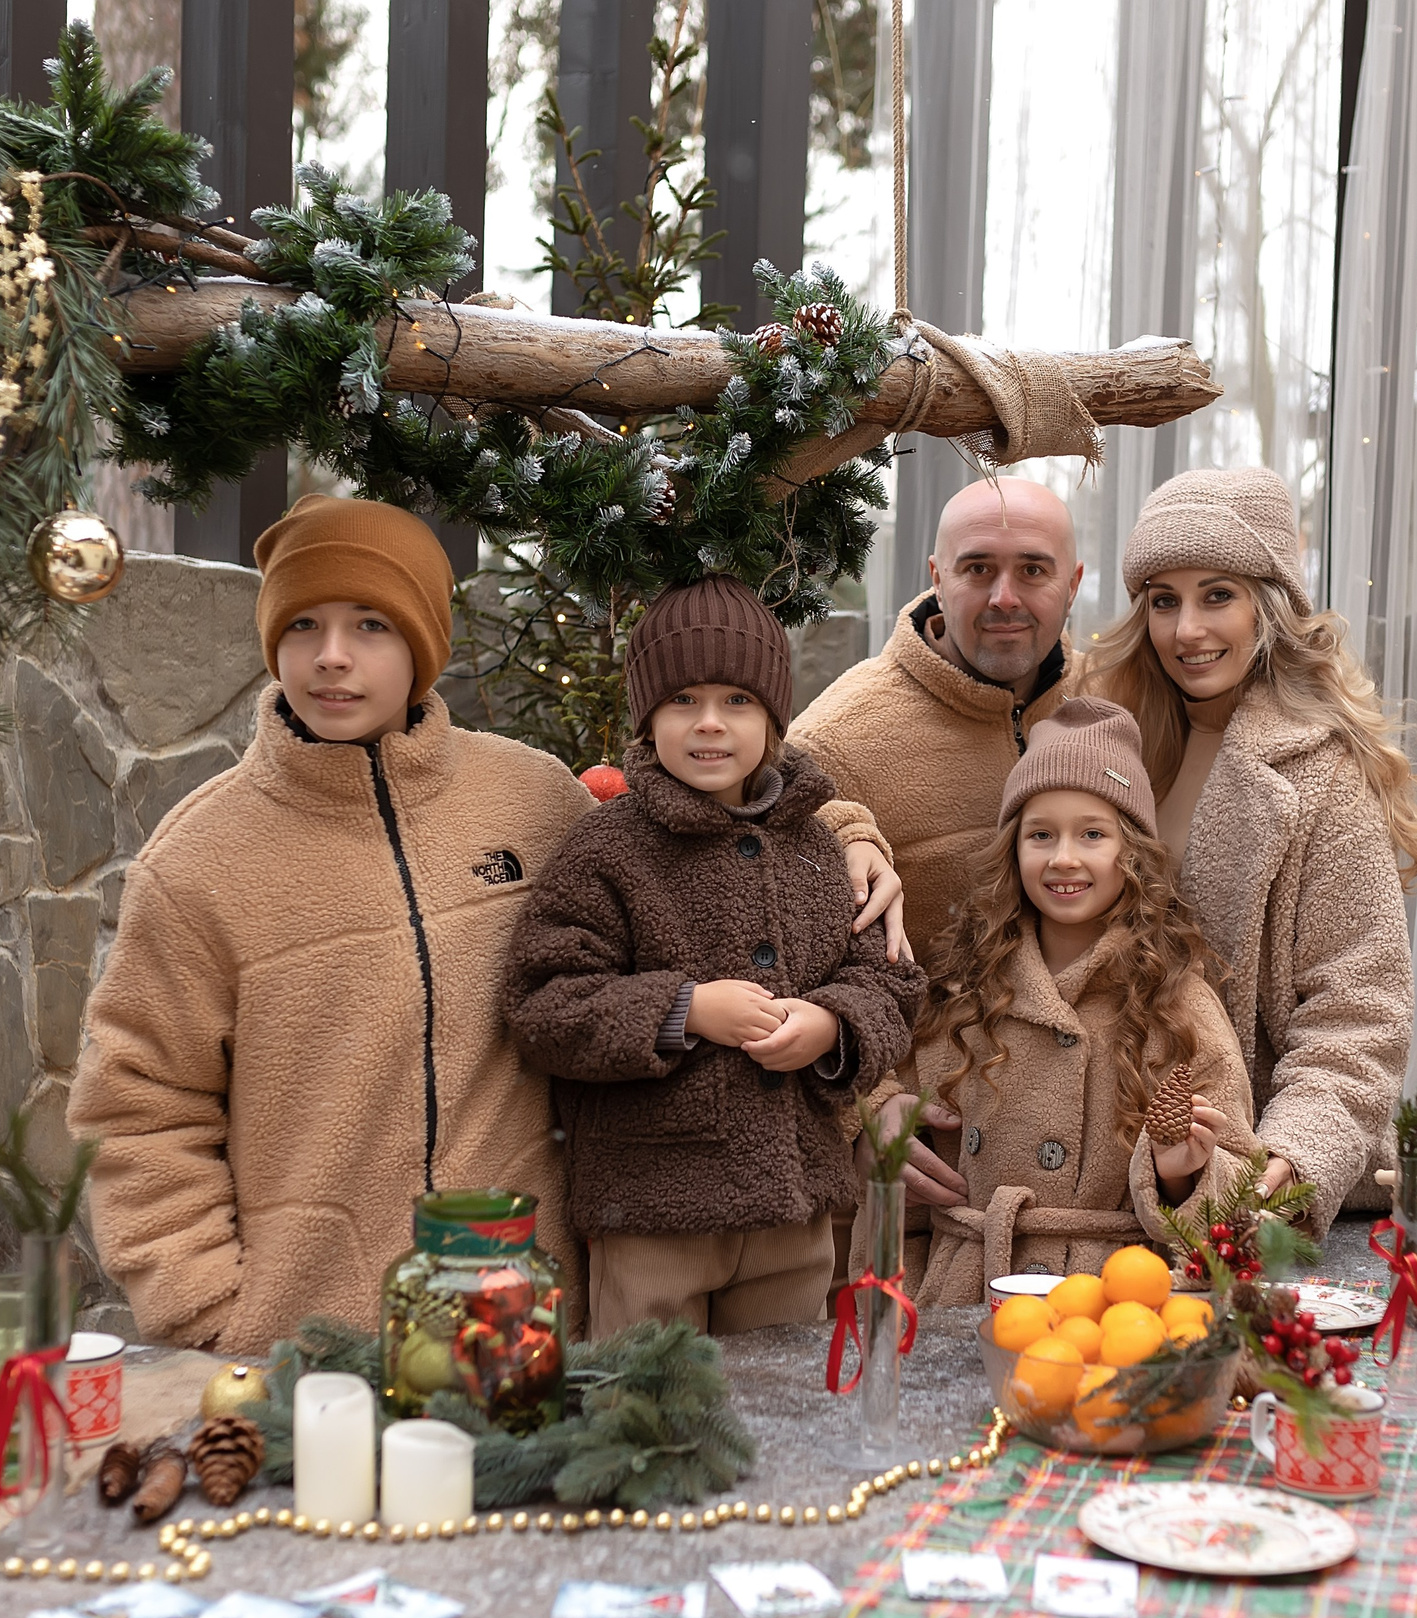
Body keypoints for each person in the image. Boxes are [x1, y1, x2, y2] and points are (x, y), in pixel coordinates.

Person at [71, 496, 595, 1355]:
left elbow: (685, 864)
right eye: (304, 623)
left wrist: (842, 830)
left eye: (372, 625)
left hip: (531, 1337)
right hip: (306, 1361)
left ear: (424, 645)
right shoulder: (201, 858)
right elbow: (140, 1107)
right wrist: (211, 1316)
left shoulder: (535, 801)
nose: (332, 658)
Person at [503, 577, 927, 1335]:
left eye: (737, 701)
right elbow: (544, 1002)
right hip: (652, 1210)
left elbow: (889, 984)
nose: (709, 724)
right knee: (648, 1408)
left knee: (780, 1405)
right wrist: (684, 1009)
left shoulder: (820, 848)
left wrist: (832, 1026)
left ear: (773, 718)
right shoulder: (610, 848)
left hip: (792, 1208)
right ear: (647, 716)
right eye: (682, 701)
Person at [1075, 466, 1417, 1233]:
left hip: (1248, 1179)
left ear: (1270, 606)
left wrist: (1291, 1158)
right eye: (1164, 600)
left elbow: (1358, 1010)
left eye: (1217, 595)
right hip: (1109, 1169)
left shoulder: (1322, 773)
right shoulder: (1116, 740)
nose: (1187, 630)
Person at [866, 697, 1258, 1306]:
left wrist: (1182, 1173)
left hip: (1115, 1305)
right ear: (1012, 851)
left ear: (1132, 854)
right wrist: (899, 1306)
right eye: (1040, 834)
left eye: (1093, 834)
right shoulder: (963, 1000)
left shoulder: (1180, 1009)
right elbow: (908, 1185)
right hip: (965, 1295)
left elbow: (1240, 1214)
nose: (1064, 858)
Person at [789, 476, 1081, 959]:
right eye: (978, 568)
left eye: (1033, 569)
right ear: (938, 580)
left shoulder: (1108, 701)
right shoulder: (832, 743)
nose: (1004, 597)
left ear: (1072, 585)